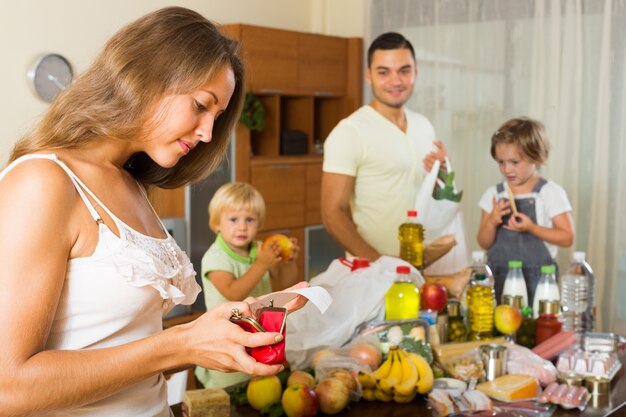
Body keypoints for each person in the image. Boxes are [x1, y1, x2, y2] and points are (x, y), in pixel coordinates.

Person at [0, 7, 307, 416]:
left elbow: (123, 347)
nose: (208, 134)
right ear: (145, 77)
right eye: (201, 105)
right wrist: (182, 343)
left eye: (216, 116)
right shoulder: (44, 181)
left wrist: (220, 332)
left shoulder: (132, 184)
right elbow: (8, 388)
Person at [321, 32, 446, 261]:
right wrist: (379, 265)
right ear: (369, 75)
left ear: (416, 72)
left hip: (423, 264)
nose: (396, 81)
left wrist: (442, 171)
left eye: (404, 70)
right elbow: (332, 214)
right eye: (384, 72)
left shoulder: (424, 126)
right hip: (372, 271)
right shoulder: (350, 132)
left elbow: (431, 194)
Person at [196, 182, 299, 388]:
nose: (242, 226)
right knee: (233, 388)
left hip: (260, 335)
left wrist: (289, 261)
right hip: (227, 340)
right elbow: (232, 292)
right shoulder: (216, 257)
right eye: (233, 219)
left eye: (249, 220)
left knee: (261, 387)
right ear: (217, 223)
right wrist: (262, 264)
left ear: (259, 223)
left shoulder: (260, 249)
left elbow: (287, 282)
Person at [476, 117, 574, 305]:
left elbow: (567, 237)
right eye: (501, 162)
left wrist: (532, 228)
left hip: (540, 282)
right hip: (499, 280)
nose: (507, 169)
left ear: (536, 157)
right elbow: (483, 242)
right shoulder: (494, 194)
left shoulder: (549, 193)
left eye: (514, 162)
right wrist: (492, 221)